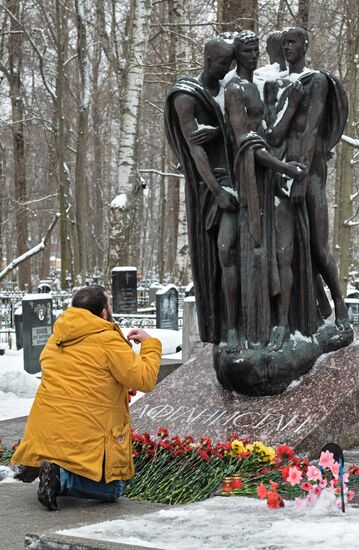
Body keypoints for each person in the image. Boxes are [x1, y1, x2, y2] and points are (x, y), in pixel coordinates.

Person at [11, 285, 162, 511]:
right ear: (103, 312)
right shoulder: (107, 340)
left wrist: (116, 389)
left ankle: (51, 471)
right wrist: (150, 344)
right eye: (109, 304)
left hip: (47, 432)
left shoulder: (55, 340)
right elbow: (145, 379)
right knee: (114, 490)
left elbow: (83, 380)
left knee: (68, 448)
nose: (110, 308)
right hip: (84, 434)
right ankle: (62, 477)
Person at [268, 27, 350, 346]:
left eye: (293, 42)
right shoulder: (277, 84)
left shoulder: (316, 81)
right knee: (285, 250)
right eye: (284, 43)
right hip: (281, 173)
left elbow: (313, 129)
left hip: (309, 173)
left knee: (318, 247)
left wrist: (301, 175)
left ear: (305, 45)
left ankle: (339, 306)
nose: (288, 47)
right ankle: (292, 319)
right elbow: (272, 133)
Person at [224, 30, 306, 346]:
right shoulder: (234, 90)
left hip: (271, 180)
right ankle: (247, 329)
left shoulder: (260, 86)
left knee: (283, 252)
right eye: (246, 50)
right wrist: (283, 166)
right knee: (253, 255)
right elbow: (245, 141)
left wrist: (290, 104)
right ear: (236, 54)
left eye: (255, 49)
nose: (253, 55)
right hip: (250, 181)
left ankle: (282, 323)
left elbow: (270, 136)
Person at [165, 37, 241, 352]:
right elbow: (196, 152)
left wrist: (221, 131)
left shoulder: (230, 90)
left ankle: (241, 321)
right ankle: (226, 325)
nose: (227, 71)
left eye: (231, 65)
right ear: (208, 60)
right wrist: (218, 192)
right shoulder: (186, 96)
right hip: (210, 186)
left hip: (240, 177)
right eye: (224, 64)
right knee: (221, 252)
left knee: (237, 251)